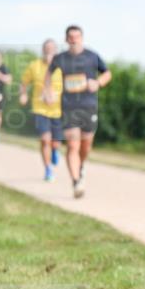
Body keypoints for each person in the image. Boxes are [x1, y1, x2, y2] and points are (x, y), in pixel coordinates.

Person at [44, 25, 112, 199]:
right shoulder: (60, 58)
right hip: (68, 106)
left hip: (89, 105)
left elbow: (107, 74)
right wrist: (48, 91)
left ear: (82, 38)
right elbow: (48, 75)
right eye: (71, 37)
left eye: (77, 36)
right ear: (66, 39)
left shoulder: (92, 56)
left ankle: (80, 166)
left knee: (85, 145)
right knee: (73, 144)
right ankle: (76, 182)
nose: (74, 39)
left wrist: (98, 83)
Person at [20, 39, 64, 181]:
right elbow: (24, 83)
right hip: (40, 109)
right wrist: (24, 94)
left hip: (58, 110)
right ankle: (48, 169)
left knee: (55, 142)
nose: (49, 51)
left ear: (56, 51)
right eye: (46, 48)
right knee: (45, 140)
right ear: (43, 50)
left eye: (52, 48)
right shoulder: (34, 66)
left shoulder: (62, 66)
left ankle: (55, 150)